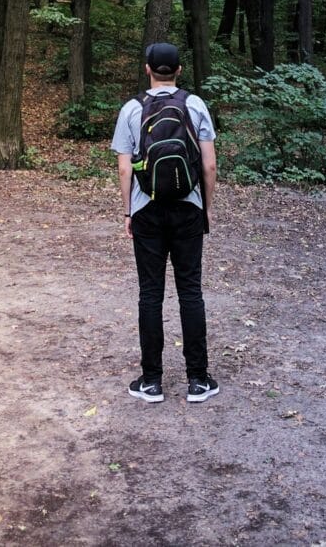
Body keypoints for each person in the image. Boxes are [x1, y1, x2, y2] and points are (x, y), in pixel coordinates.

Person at [111, 42, 219, 404]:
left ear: (147, 69)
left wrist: (129, 211)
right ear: (179, 70)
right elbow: (209, 166)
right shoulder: (195, 105)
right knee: (191, 290)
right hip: (188, 208)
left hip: (147, 210)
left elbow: (125, 167)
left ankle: (152, 381)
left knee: (150, 293)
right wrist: (206, 207)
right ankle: (199, 380)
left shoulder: (131, 109)